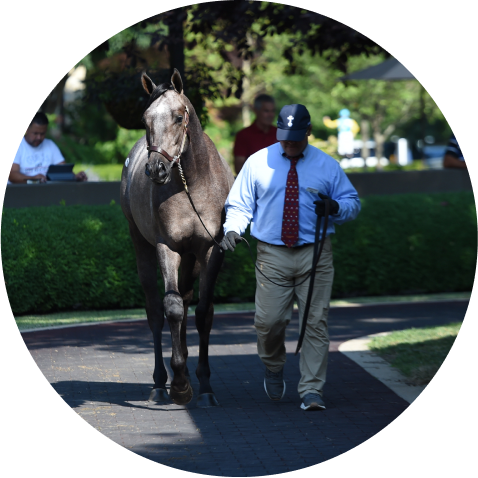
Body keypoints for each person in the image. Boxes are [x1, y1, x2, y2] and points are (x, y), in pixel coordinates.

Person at [220, 104, 361, 411]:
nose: (289, 142)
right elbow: (240, 205)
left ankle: (312, 390)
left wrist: (336, 208)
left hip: (316, 253)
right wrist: (232, 229)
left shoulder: (327, 165)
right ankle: (273, 365)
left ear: (308, 131)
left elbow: (352, 202)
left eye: (296, 136)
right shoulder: (258, 162)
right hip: (272, 254)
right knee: (268, 323)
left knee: (315, 323)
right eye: (284, 136)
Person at [8, 112, 87, 184]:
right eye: (35, 133)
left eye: (42, 134)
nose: (39, 137)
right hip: (21, 192)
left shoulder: (50, 145)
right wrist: (33, 179)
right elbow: (12, 175)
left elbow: (63, 170)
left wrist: (75, 177)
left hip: (46, 191)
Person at [233, 94, 277, 175]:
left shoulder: (280, 134)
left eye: (273, 111)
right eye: (266, 111)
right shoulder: (244, 135)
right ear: (256, 111)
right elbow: (239, 167)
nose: (271, 115)